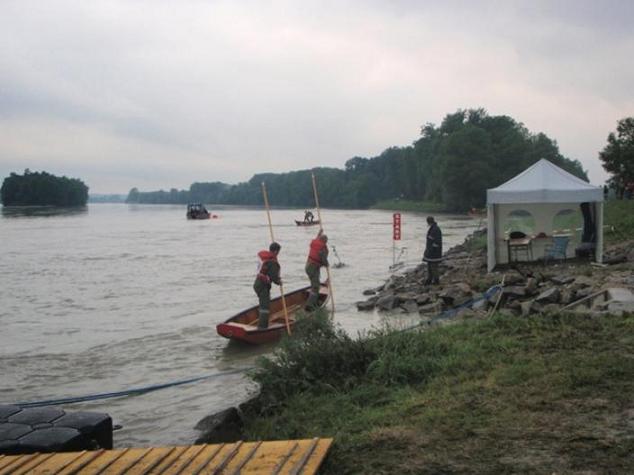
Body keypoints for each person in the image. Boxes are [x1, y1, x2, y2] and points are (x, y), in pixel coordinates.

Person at [253, 242, 282, 329]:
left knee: (264, 303)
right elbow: (274, 277)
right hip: (262, 285)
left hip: (257, 283)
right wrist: (279, 282)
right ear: (276, 251)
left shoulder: (264, 257)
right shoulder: (272, 261)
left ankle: (263, 322)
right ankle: (262, 328)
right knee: (265, 307)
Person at [305, 229, 329, 310]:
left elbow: (317, 238)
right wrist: (327, 265)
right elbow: (323, 259)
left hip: (308, 267)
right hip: (313, 268)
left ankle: (313, 302)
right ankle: (310, 306)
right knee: (315, 287)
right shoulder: (322, 248)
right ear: (325, 241)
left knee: (315, 284)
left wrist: (319, 232)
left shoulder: (315, 243)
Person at [423, 216, 442, 285]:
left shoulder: (435, 229)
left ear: (428, 222)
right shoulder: (433, 228)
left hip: (434, 253)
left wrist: (431, 250)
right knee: (429, 266)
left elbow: (436, 242)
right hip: (430, 251)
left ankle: (436, 281)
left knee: (434, 266)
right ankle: (429, 279)